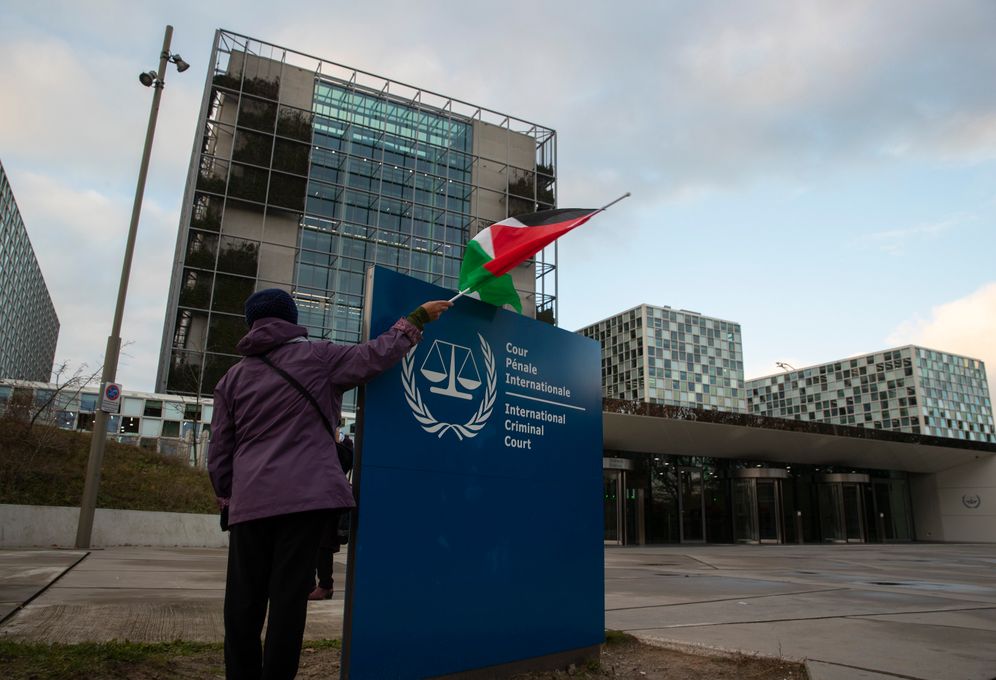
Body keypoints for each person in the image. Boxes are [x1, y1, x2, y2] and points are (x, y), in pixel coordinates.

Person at [208, 288, 451, 680]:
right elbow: (373, 356)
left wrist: (226, 497)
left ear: (251, 324)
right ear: (291, 317)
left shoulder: (232, 379)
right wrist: (416, 320)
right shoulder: (318, 356)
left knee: (242, 601)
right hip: (303, 502)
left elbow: (220, 448)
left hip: (249, 502)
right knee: (288, 602)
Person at [307, 430, 352, 601]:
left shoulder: (339, 452)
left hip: (328, 505)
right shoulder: (315, 447)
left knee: (323, 547)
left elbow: (346, 460)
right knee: (310, 546)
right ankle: (310, 583)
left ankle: (326, 585)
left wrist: (333, 441)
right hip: (313, 503)